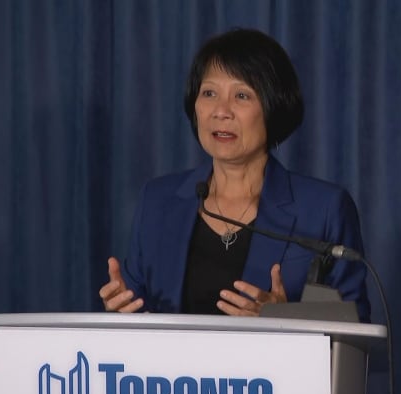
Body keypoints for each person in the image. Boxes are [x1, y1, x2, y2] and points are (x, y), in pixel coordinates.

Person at [99, 28, 370, 321]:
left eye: (241, 95)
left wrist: (287, 322)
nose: (221, 111)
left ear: (273, 106)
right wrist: (120, 312)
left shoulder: (324, 209)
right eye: (209, 93)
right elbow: (137, 310)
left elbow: (354, 333)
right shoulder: (158, 200)